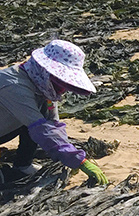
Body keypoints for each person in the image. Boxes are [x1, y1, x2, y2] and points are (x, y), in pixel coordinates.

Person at [0, 39, 108, 186]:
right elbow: (43, 130)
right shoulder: (13, 86)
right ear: (44, 70)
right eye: (59, 81)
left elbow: (52, 124)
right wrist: (80, 162)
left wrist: (70, 154)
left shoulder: (41, 85)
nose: (62, 89)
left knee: (40, 117)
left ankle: (23, 165)